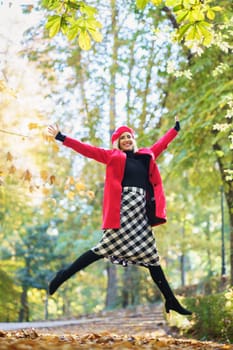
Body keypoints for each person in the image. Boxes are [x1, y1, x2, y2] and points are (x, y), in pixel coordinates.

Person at [47, 118, 192, 316]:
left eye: (129, 137)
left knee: (151, 257)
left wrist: (174, 130)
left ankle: (171, 300)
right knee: (102, 249)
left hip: (140, 213)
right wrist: (62, 137)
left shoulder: (146, 156)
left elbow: (161, 144)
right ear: (117, 142)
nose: (127, 140)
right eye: (122, 138)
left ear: (134, 140)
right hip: (122, 211)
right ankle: (62, 276)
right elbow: (87, 149)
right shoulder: (112, 156)